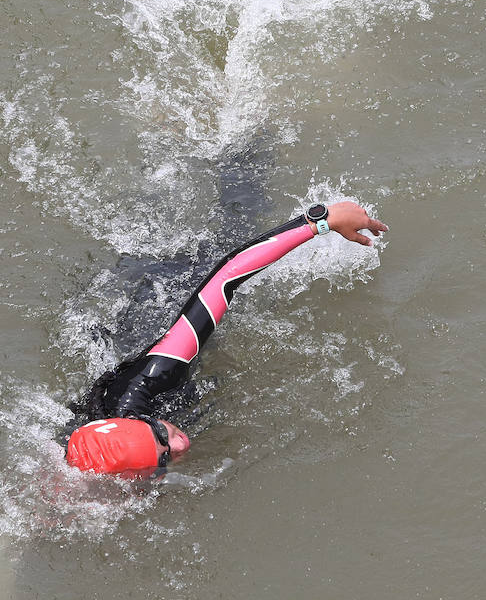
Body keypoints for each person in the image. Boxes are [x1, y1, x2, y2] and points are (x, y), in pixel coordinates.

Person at [64, 200, 388, 477]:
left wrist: (320, 222)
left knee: (238, 216)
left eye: (162, 435)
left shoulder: (160, 370)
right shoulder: (91, 460)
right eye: (164, 458)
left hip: (169, 296)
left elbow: (226, 277)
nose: (179, 444)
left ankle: (248, 143)